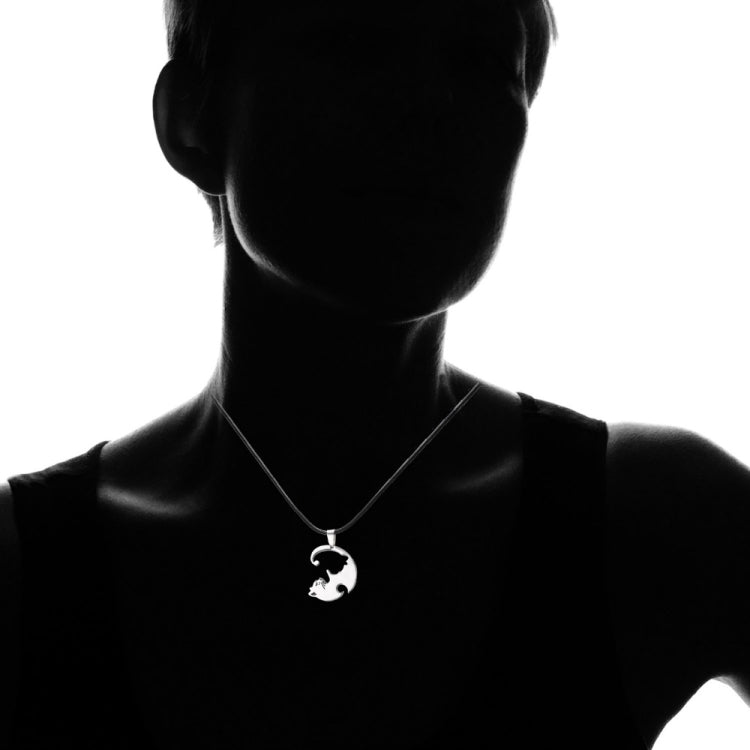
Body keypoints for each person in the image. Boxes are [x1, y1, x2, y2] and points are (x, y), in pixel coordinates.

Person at [1, 0, 749, 747]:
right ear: (192, 122)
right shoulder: (19, 571)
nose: (428, 106)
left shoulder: (667, 523)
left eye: (482, 61)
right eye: (350, 45)